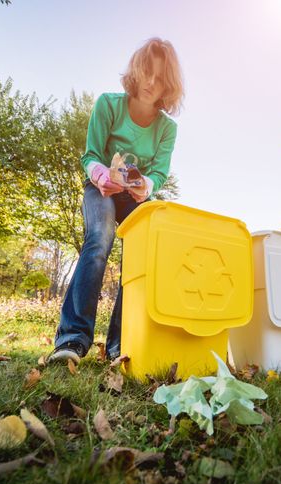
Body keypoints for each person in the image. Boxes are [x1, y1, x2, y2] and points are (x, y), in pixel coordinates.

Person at [49, 38, 184, 365]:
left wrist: (145, 185)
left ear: (169, 84)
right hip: (101, 190)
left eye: (160, 77)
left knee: (143, 254)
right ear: (137, 71)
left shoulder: (167, 128)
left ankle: (120, 344)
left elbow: (159, 173)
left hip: (135, 197)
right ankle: (72, 340)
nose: (152, 82)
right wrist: (101, 176)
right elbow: (90, 155)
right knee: (100, 238)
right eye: (147, 72)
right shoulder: (108, 105)